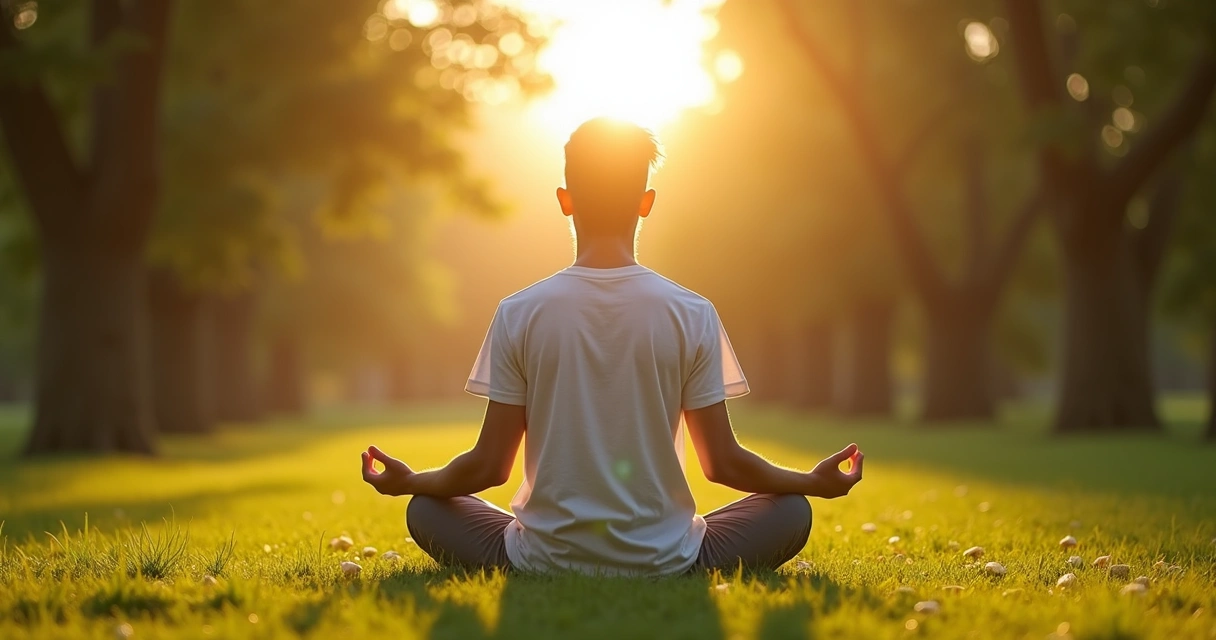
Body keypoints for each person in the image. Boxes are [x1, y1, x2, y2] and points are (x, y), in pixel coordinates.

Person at [360, 117, 864, 575]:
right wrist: (810, 481)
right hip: (668, 559)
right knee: (792, 509)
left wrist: (412, 481)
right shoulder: (691, 312)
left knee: (426, 507)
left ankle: (536, 556)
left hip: (541, 560)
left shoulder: (520, 311)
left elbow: (489, 467)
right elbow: (723, 464)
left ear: (564, 199)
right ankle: (675, 557)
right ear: (646, 203)